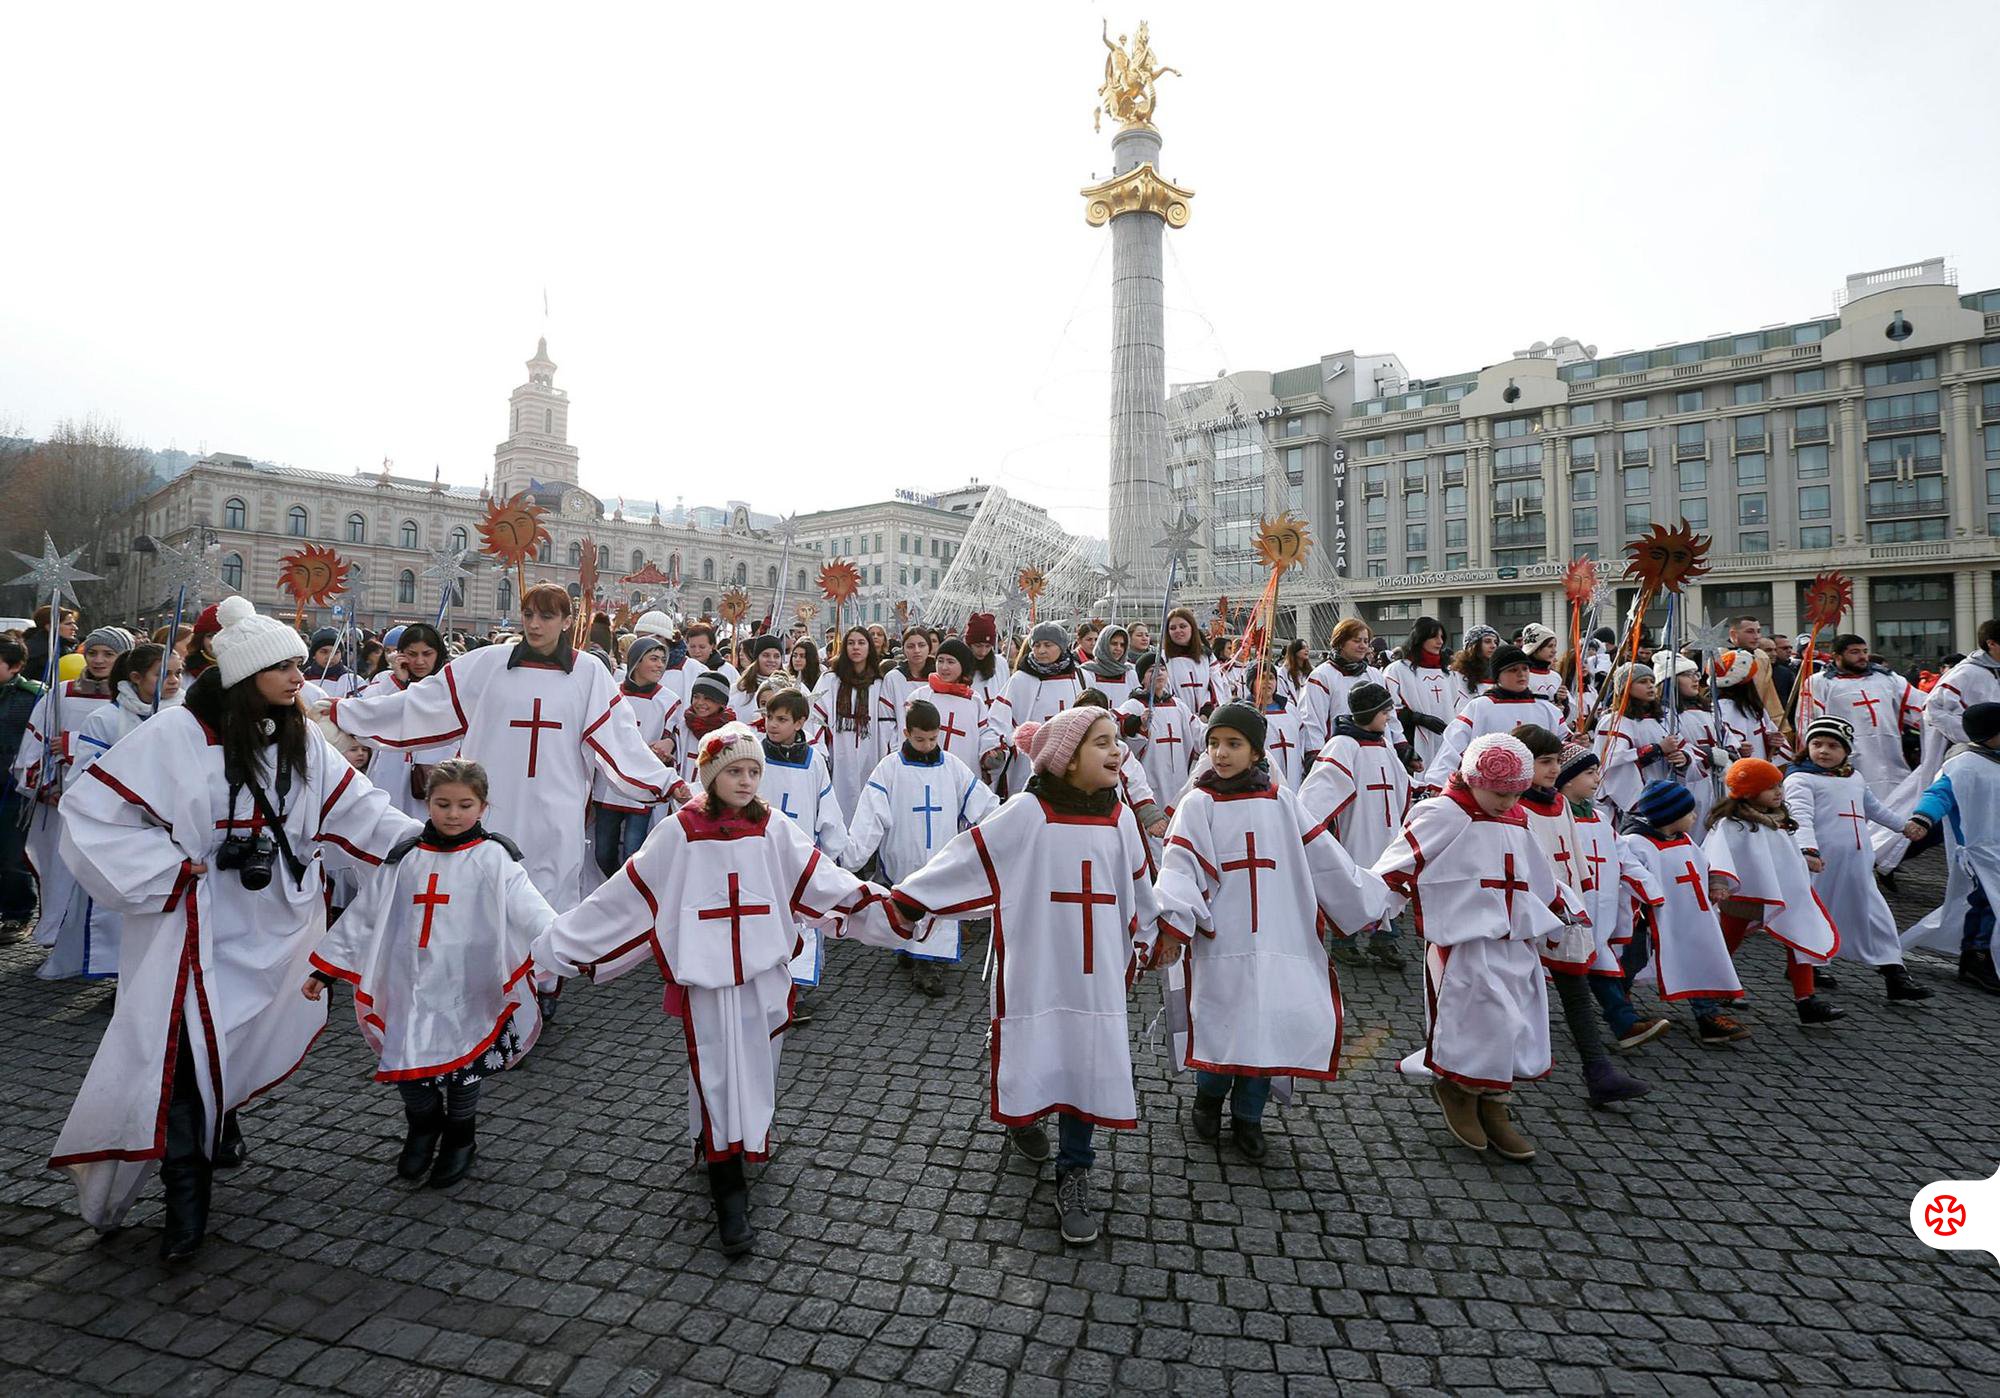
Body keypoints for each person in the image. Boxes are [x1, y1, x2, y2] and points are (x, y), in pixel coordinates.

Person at [51, 595, 419, 1259]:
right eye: (282, 667)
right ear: (247, 676)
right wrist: (173, 871)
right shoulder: (173, 736)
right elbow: (91, 812)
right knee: (184, 1058)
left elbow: (362, 814)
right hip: (189, 926)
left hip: (273, 927)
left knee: (235, 1041)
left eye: (300, 666)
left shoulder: (300, 740)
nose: (298, 678)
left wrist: (439, 842)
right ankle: (184, 1205)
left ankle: (223, 1124)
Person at [529, 723, 885, 1256]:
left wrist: (887, 906)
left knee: (757, 1066)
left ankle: (740, 1141)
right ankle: (726, 1180)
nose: (745, 781)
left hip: (763, 974)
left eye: (753, 772)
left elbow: (821, 880)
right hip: (708, 978)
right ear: (711, 775)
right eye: (734, 771)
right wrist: (556, 944)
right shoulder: (680, 831)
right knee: (716, 1070)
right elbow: (628, 896)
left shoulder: (774, 827)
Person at [883, 708, 1161, 1245]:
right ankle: (1023, 1118)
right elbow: (970, 859)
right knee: (1033, 1047)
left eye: (1115, 743)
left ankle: (1075, 1170)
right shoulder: (1029, 812)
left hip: (1095, 971)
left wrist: (1153, 933)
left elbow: (1137, 884)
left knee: (1088, 1057)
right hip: (1037, 964)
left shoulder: (1120, 816)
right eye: (1101, 743)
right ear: (1067, 757)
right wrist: (913, 897)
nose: (1116, 752)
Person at [324, 584, 676, 927]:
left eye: (547, 616)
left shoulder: (588, 672)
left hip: (557, 808)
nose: (535, 624)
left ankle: (540, 975)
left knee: (548, 895)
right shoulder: (488, 664)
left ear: (567, 621)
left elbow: (621, 737)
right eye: (528, 614)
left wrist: (664, 781)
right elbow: (421, 703)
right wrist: (347, 713)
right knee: (484, 889)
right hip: (495, 803)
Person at [304, 759, 556, 1187]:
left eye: (464, 805)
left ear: (483, 807)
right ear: (427, 803)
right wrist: (325, 971)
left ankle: (461, 1138)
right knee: (408, 1062)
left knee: (463, 1072)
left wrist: (568, 945)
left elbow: (530, 908)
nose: (453, 815)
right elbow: (366, 915)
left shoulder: (496, 858)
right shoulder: (405, 858)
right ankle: (422, 1127)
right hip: (410, 984)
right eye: (442, 804)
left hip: (469, 984)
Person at [1154, 703, 1387, 1161]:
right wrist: (1173, 922)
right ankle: (1208, 1099)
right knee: (1223, 1020)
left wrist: (1373, 894)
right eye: (1214, 744)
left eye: (1233, 744)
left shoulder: (1281, 801)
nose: (1221, 754)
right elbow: (1179, 866)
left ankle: (1249, 1116)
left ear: (1257, 751)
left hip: (1280, 933)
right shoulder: (1199, 803)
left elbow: (1324, 857)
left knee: (1266, 1024)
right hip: (1224, 936)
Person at [1371, 734, 1567, 1161]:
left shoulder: (1516, 816)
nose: (1507, 801)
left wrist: (1559, 903)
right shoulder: (1444, 812)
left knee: (1516, 1021)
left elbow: (1536, 870)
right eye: (1499, 792)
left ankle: (1495, 1103)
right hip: (1462, 941)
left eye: (1516, 792)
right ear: (1474, 778)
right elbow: (1399, 863)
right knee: (1474, 1018)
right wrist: (1369, 909)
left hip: (1514, 939)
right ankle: (1457, 1087)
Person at [1509, 726, 1651, 1106]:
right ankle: (1490, 1077)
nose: (1554, 769)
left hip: (1564, 913)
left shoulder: (1558, 803)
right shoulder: (1514, 808)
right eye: (1545, 762)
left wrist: (1579, 899)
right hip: (1525, 916)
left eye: (1557, 761)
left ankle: (1599, 1071)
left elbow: (1573, 855)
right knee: (1514, 996)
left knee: (1575, 990)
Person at [841, 699, 999, 997]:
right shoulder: (890, 768)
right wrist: (852, 855)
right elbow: (871, 814)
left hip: (940, 853)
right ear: (905, 733)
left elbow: (983, 804)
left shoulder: (952, 766)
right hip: (904, 852)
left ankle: (929, 965)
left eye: (933, 739)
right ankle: (908, 947)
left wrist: (1008, 821)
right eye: (919, 739)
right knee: (908, 902)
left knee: (937, 905)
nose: (927, 745)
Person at [1784, 716, 1931, 1001]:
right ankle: (1805, 965)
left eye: (1832, 746)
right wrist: (1808, 850)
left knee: (1877, 915)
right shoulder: (1800, 779)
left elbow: (1874, 808)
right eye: (1817, 744)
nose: (1823, 751)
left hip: (1858, 863)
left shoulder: (1853, 777)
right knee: (1816, 914)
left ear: (1846, 751)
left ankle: (1894, 973)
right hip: (1822, 864)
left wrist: (1903, 826)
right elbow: (1800, 817)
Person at [12, 625, 127, 957]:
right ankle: (61, 939)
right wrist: (45, 787)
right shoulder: (61, 694)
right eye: (92, 652)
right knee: (59, 872)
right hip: (60, 801)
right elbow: (34, 745)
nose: (99, 660)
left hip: (107, 807)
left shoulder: (131, 701)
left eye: (109, 654)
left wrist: (76, 747)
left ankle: (102, 950)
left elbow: (131, 750)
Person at [1703, 758, 1842, 1025]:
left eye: (1780, 784)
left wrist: (1804, 860)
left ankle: (1806, 1000)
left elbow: (1784, 855)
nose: (1779, 791)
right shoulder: (1732, 824)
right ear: (1750, 792)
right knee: (1726, 941)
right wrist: (1719, 883)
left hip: (1785, 893)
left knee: (1800, 936)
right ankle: (1714, 989)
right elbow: (1718, 854)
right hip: (1744, 895)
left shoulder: (1779, 820)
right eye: (1770, 787)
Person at [1557, 744, 1673, 1054]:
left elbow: (1622, 854)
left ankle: (1625, 1025)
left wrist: (1649, 889)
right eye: (1590, 773)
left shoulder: (1598, 817)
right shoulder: (1555, 815)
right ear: (1567, 780)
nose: (1598, 779)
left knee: (1600, 963)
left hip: (1599, 908)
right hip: (1567, 909)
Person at [1617, 781, 1749, 1047]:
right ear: (1671, 816)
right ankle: (1622, 1013)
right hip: (1646, 922)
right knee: (1630, 964)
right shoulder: (1636, 843)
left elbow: (1701, 864)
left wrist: (1714, 883)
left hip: (1690, 918)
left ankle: (1708, 1016)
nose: (1695, 817)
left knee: (1697, 958)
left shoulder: (1684, 839)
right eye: (1689, 813)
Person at [1299, 681, 1407, 967]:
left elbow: (1400, 782)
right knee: (1352, 881)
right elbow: (1321, 788)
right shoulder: (1344, 745)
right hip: (1356, 829)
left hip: (1386, 829)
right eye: (1384, 712)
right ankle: (1344, 942)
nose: (1388, 717)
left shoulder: (1382, 744)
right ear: (1369, 713)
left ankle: (1384, 940)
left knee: (1386, 881)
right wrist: (1306, 823)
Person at [757, 686, 847, 1012]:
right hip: (760, 853)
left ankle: (795, 988)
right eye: (769, 716)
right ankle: (764, 981)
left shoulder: (814, 762)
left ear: (800, 723)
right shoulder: (755, 755)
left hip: (799, 856)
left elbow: (828, 809)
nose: (772, 724)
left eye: (781, 719)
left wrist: (836, 857)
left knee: (800, 920)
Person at [1902, 701, 2000, 993]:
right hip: (1979, 851)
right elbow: (1939, 795)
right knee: (1986, 903)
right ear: (1989, 734)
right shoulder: (1964, 764)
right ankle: (1976, 956)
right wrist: (1922, 818)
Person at [1798, 634, 1924, 805]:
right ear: (1837, 656)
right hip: (1848, 759)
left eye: (1865, 651)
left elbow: (1922, 707)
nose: (1863, 656)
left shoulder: (1888, 678)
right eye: (1855, 652)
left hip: (1889, 756)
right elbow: (1807, 722)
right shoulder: (1819, 683)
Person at [1421, 645, 1567, 790]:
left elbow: (1563, 743)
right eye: (1513, 670)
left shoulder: (1547, 708)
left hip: (1539, 790)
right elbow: (1453, 747)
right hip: (1492, 791)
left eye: (1525, 669)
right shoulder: (1480, 707)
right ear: (1498, 675)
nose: (1521, 674)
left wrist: (1576, 741)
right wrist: (1438, 784)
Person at [592, 635, 679, 878]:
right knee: (604, 851)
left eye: (663, 659)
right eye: (653, 659)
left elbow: (674, 735)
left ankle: (627, 896)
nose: (660, 665)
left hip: (644, 785)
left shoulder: (668, 700)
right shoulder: (612, 694)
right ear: (636, 662)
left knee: (634, 851)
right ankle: (612, 886)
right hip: (610, 783)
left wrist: (669, 742)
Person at [991, 622, 1084, 798]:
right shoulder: (1021, 679)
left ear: (1062, 647)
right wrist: (1003, 745)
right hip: (1030, 760)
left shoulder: (1080, 676)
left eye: (1048, 645)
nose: (1041, 650)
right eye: (1036, 645)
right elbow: (999, 719)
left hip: (1073, 757)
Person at [813, 627, 890, 821]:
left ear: (869, 647)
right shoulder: (831, 680)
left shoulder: (880, 683)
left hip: (871, 751)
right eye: (851, 642)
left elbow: (888, 723)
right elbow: (815, 717)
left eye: (861, 643)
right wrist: (821, 752)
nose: (856, 647)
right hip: (839, 752)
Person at [1302, 620, 1406, 763]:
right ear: (1340, 642)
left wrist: (1402, 745)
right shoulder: (1322, 675)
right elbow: (1313, 720)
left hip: (1378, 752)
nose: (1363, 646)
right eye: (1357, 641)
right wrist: (1316, 755)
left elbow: (1389, 713)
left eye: (1366, 641)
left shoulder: (1374, 674)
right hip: (1341, 754)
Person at [1594, 663, 1686, 823]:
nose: (1650, 686)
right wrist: (1657, 750)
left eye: (1652, 681)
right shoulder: (1614, 721)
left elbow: (1684, 747)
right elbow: (1612, 763)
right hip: (1632, 807)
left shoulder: (1664, 720)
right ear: (1626, 688)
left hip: (1664, 793)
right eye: (1642, 682)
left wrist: (1683, 758)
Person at [0, 639, 46, 934]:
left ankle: (18, 911)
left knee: (11, 855)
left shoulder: (32, 696)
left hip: (11, 788)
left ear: (15, 666)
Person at [1121, 652, 1197, 818]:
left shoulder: (1179, 706)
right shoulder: (1134, 705)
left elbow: (1198, 732)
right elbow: (1121, 737)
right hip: (1151, 779)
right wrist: (1137, 725)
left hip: (1179, 779)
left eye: (1162, 669)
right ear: (1141, 679)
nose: (1159, 673)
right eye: (1151, 670)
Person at [1384, 618, 1456, 781]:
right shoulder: (1398, 669)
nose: (1440, 642)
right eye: (1434, 637)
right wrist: (1419, 718)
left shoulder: (1448, 673)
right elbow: (1388, 710)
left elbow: (1456, 705)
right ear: (1419, 638)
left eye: (1442, 637)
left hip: (1444, 737)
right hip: (1412, 738)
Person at [915, 638, 998, 771]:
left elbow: (983, 732)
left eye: (951, 662)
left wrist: (990, 752)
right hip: (927, 768)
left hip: (964, 769)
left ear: (963, 666)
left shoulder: (974, 700)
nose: (944, 667)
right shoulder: (921, 696)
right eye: (940, 660)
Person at [1712, 649, 1787, 765]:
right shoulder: (1721, 709)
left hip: (1759, 768)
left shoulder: (1754, 707)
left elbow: (1768, 737)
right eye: (1754, 675)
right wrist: (1736, 749)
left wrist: (1773, 741)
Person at [875, 627, 935, 743]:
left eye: (921, 645)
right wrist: (894, 747)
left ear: (929, 648)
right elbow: (886, 719)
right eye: (910, 646)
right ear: (904, 649)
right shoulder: (894, 678)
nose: (917, 650)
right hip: (903, 747)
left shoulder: (938, 678)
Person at [1251, 666, 1305, 788]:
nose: (1267, 682)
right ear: (1251, 682)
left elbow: (1302, 740)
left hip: (1293, 775)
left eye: (1271, 678)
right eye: (1262, 677)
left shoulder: (1290, 709)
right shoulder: (1248, 712)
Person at [1161, 607, 1215, 715]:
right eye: (1172, 628)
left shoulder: (1207, 657)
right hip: (1177, 718)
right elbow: (1163, 690)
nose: (1178, 631)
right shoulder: (1162, 659)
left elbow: (1217, 687)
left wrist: (1207, 711)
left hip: (1206, 719)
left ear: (1192, 628)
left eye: (1183, 626)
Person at [731, 635, 788, 726]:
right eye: (766, 655)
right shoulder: (740, 689)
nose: (771, 660)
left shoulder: (790, 687)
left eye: (776, 656)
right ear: (757, 658)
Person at [1082, 624, 1138, 708]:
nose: (1118, 648)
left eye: (1122, 645)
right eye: (1114, 643)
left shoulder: (1130, 674)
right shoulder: (1087, 672)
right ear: (1103, 644)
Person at [1449, 624, 1499, 708]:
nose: (1493, 646)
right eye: (1487, 641)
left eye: (1495, 642)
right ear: (1474, 645)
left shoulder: (1499, 672)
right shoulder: (1455, 674)